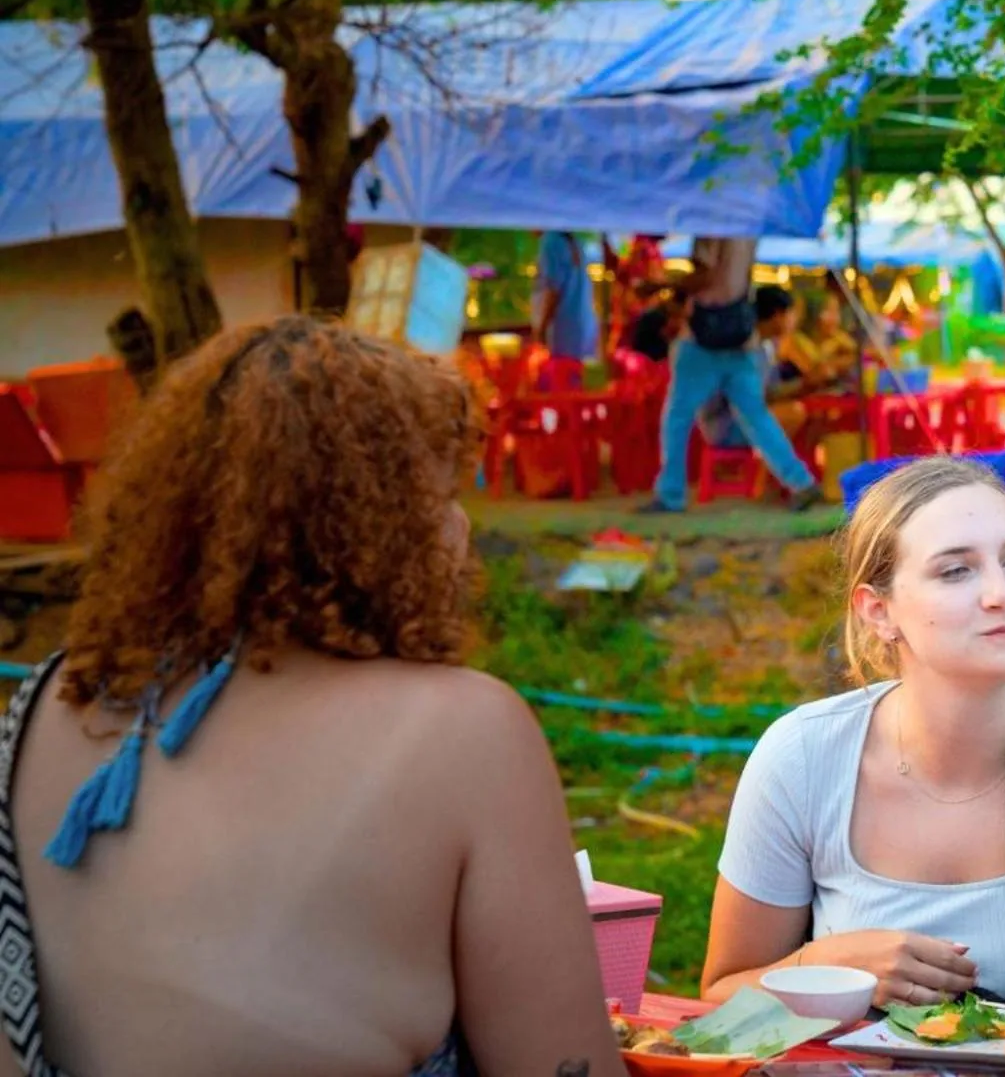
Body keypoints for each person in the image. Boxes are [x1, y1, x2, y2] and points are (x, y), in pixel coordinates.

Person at [0, 317, 625, 1077]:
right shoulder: (466, 731)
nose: (460, 527)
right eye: (442, 495)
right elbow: (564, 1064)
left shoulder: (45, 702)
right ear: (377, 526)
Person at [700, 456, 1005, 1035]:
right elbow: (720, 996)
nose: (1002, 593)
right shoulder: (803, 757)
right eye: (956, 571)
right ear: (879, 611)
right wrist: (826, 966)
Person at [641, 237, 822, 514]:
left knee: (677, 417)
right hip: (740, 337)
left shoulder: (710, 224)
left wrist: (662, 286)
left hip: (703, 339)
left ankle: (670, 495)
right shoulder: (747, 227)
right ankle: (801, 482)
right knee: (757, 416)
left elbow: (705, 276)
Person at [698, 284, 813, 453]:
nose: (794, 320)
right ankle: (765, 468)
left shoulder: (766, 345)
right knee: (793, 413)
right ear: (777, 315)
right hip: (725, 424)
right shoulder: (743, 347)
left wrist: (804, 385)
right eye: (791, 314)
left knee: (808, 415)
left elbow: (767, 391)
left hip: (742, 416)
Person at [534, 229, 601, 386]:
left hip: (564, 330)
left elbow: (553, 290)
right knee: (580, 384)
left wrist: (541, 328)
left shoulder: (551, 241)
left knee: (561, 383)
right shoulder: (575, 241)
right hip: (584, 326)